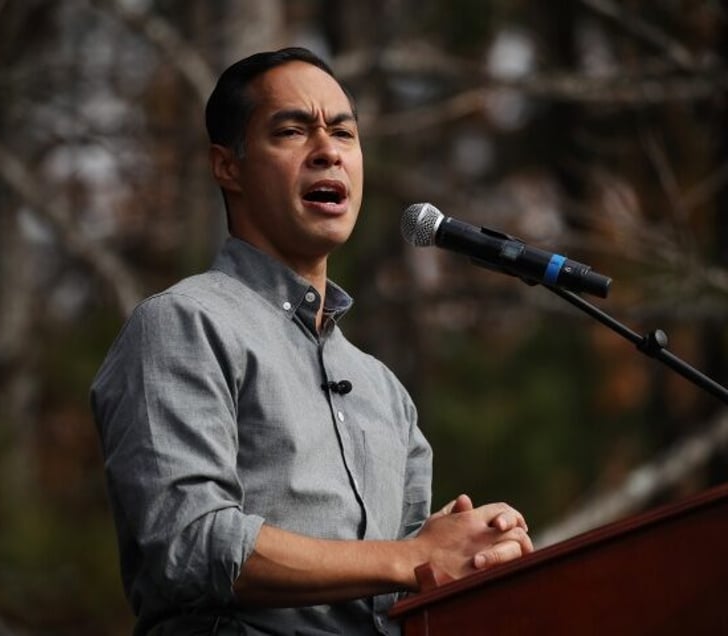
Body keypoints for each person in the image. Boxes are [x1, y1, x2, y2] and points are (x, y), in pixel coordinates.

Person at [90, 47, 532, 636]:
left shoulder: (385, 391)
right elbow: (189, 543)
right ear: (228, 167)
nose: (328, 150)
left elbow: (408, 597)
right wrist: (410, 556)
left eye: (344, 133)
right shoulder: (183, 324)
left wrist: (475, 555)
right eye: (293, 131)